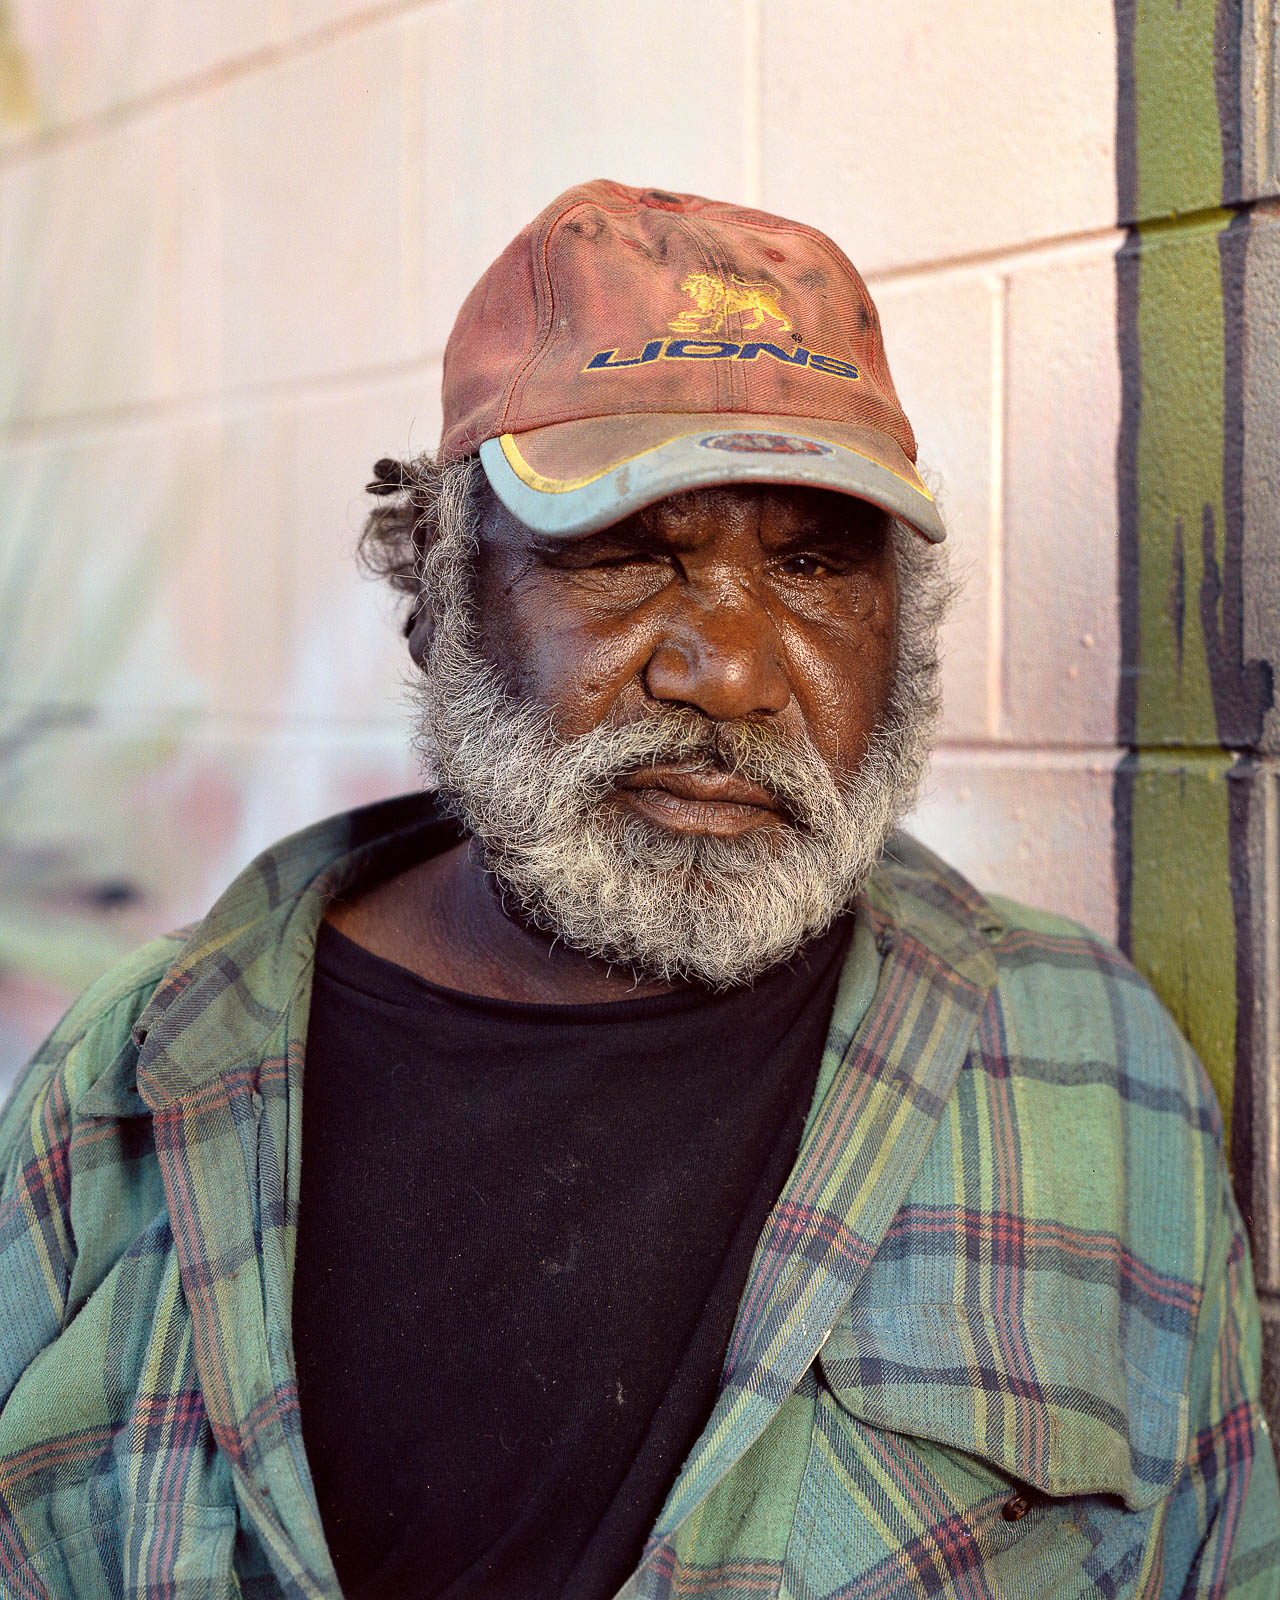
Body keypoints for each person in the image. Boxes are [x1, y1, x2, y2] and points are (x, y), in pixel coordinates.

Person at [0, 179, 1275, 1600]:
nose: (729, 672)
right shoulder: (132, 1079)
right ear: (436, 597)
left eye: (811, 566)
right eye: (622, 558)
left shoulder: (1088, 1066)